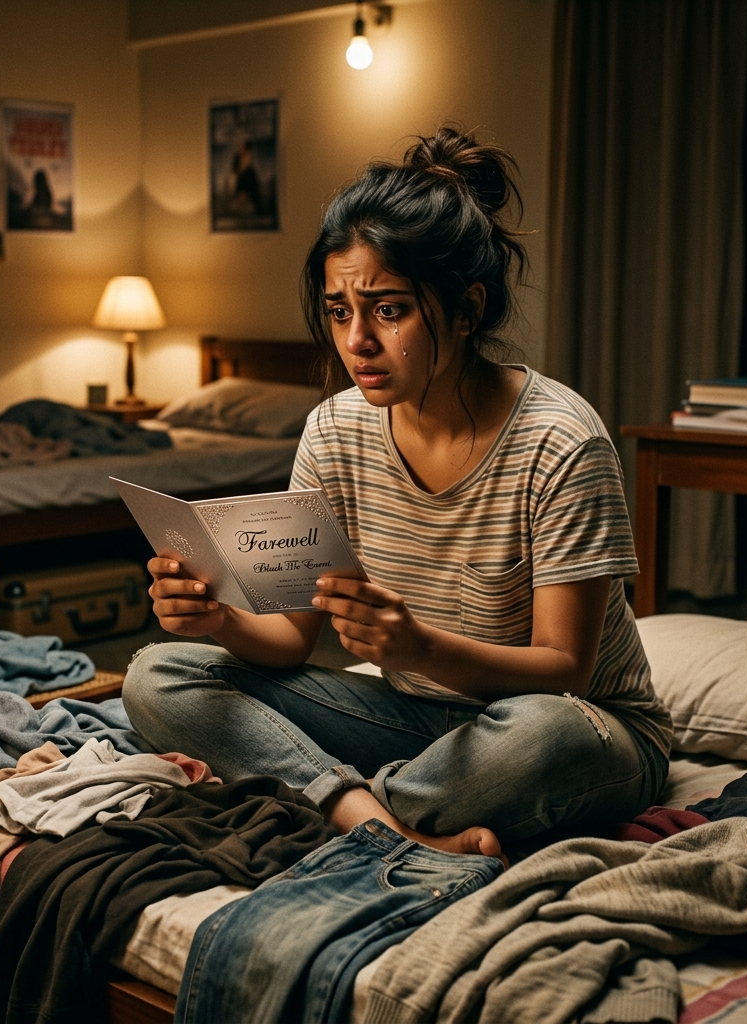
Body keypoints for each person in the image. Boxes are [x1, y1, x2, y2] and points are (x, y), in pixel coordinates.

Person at [123, 126, 671, 860]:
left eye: (388, 309)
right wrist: (217, 616)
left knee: (547, 735)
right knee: (159, 674)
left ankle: (324, 803)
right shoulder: (332, 432)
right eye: (339, 312)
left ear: (467, 307)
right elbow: (289, 642)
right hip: (416, 720)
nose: (357, 342)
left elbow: (564, 669)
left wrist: (418, 646)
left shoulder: (562, 441)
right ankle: (383, 826)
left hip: (581, 728)